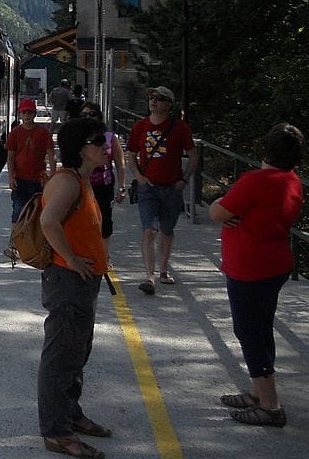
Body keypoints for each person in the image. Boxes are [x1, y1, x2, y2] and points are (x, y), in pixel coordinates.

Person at [209, 123, 305, 427]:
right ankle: (258, 392)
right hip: (275, 264)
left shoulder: (255, 181)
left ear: (265, 149)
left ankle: (270, 406)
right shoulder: (292, 181)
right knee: (261, 329)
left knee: (249, 333)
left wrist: (216, 203)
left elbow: (219, 213)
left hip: (249, 268)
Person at [37, 117, 112, 459]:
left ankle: (70, 414)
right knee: (61, 355)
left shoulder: (81, 179)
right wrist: (71, 258)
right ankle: (57, 432)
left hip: (81, 281)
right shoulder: (68, 182)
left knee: (77, 352)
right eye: (98, 141)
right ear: (82, 148)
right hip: (68, 281)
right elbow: (48, 221)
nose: (105, 145)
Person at [126, 86, 198, 295]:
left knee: (167, 230)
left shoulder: (180, 128)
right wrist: (138, 177)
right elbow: (130, 153)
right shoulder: (140, 127)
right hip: (148, 187)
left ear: (169, 104)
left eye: (159, 98)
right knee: (149, 230)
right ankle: (149, 276)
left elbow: (193, 155)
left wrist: (184, 179)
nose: (153, 101)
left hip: (172, 188)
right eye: (151, 97)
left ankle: (163, 270)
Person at [79, 102, 127, 248]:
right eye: (84, 115)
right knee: (84, 220)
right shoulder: (77, 137)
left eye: (92, 114)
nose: (88, 117)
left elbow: (120, 163)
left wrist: (122, 187)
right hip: (83, 186)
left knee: (104, 221)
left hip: (103, 186)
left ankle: (104, 256)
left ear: (99, 116)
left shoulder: (110, 137)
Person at [6, 97, 55, 222]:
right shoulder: (15, 133)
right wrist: (11, 176)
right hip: (20, 178)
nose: (27, 115)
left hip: (39, 179)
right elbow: (11, 157)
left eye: (30, 112)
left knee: (38, 211)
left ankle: (33, 239)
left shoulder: (43, 133)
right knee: (18, 210)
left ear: (34, 113)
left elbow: (51, 154)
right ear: (20, 114)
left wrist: (52, 175)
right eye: (24, 112)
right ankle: (15, 238)